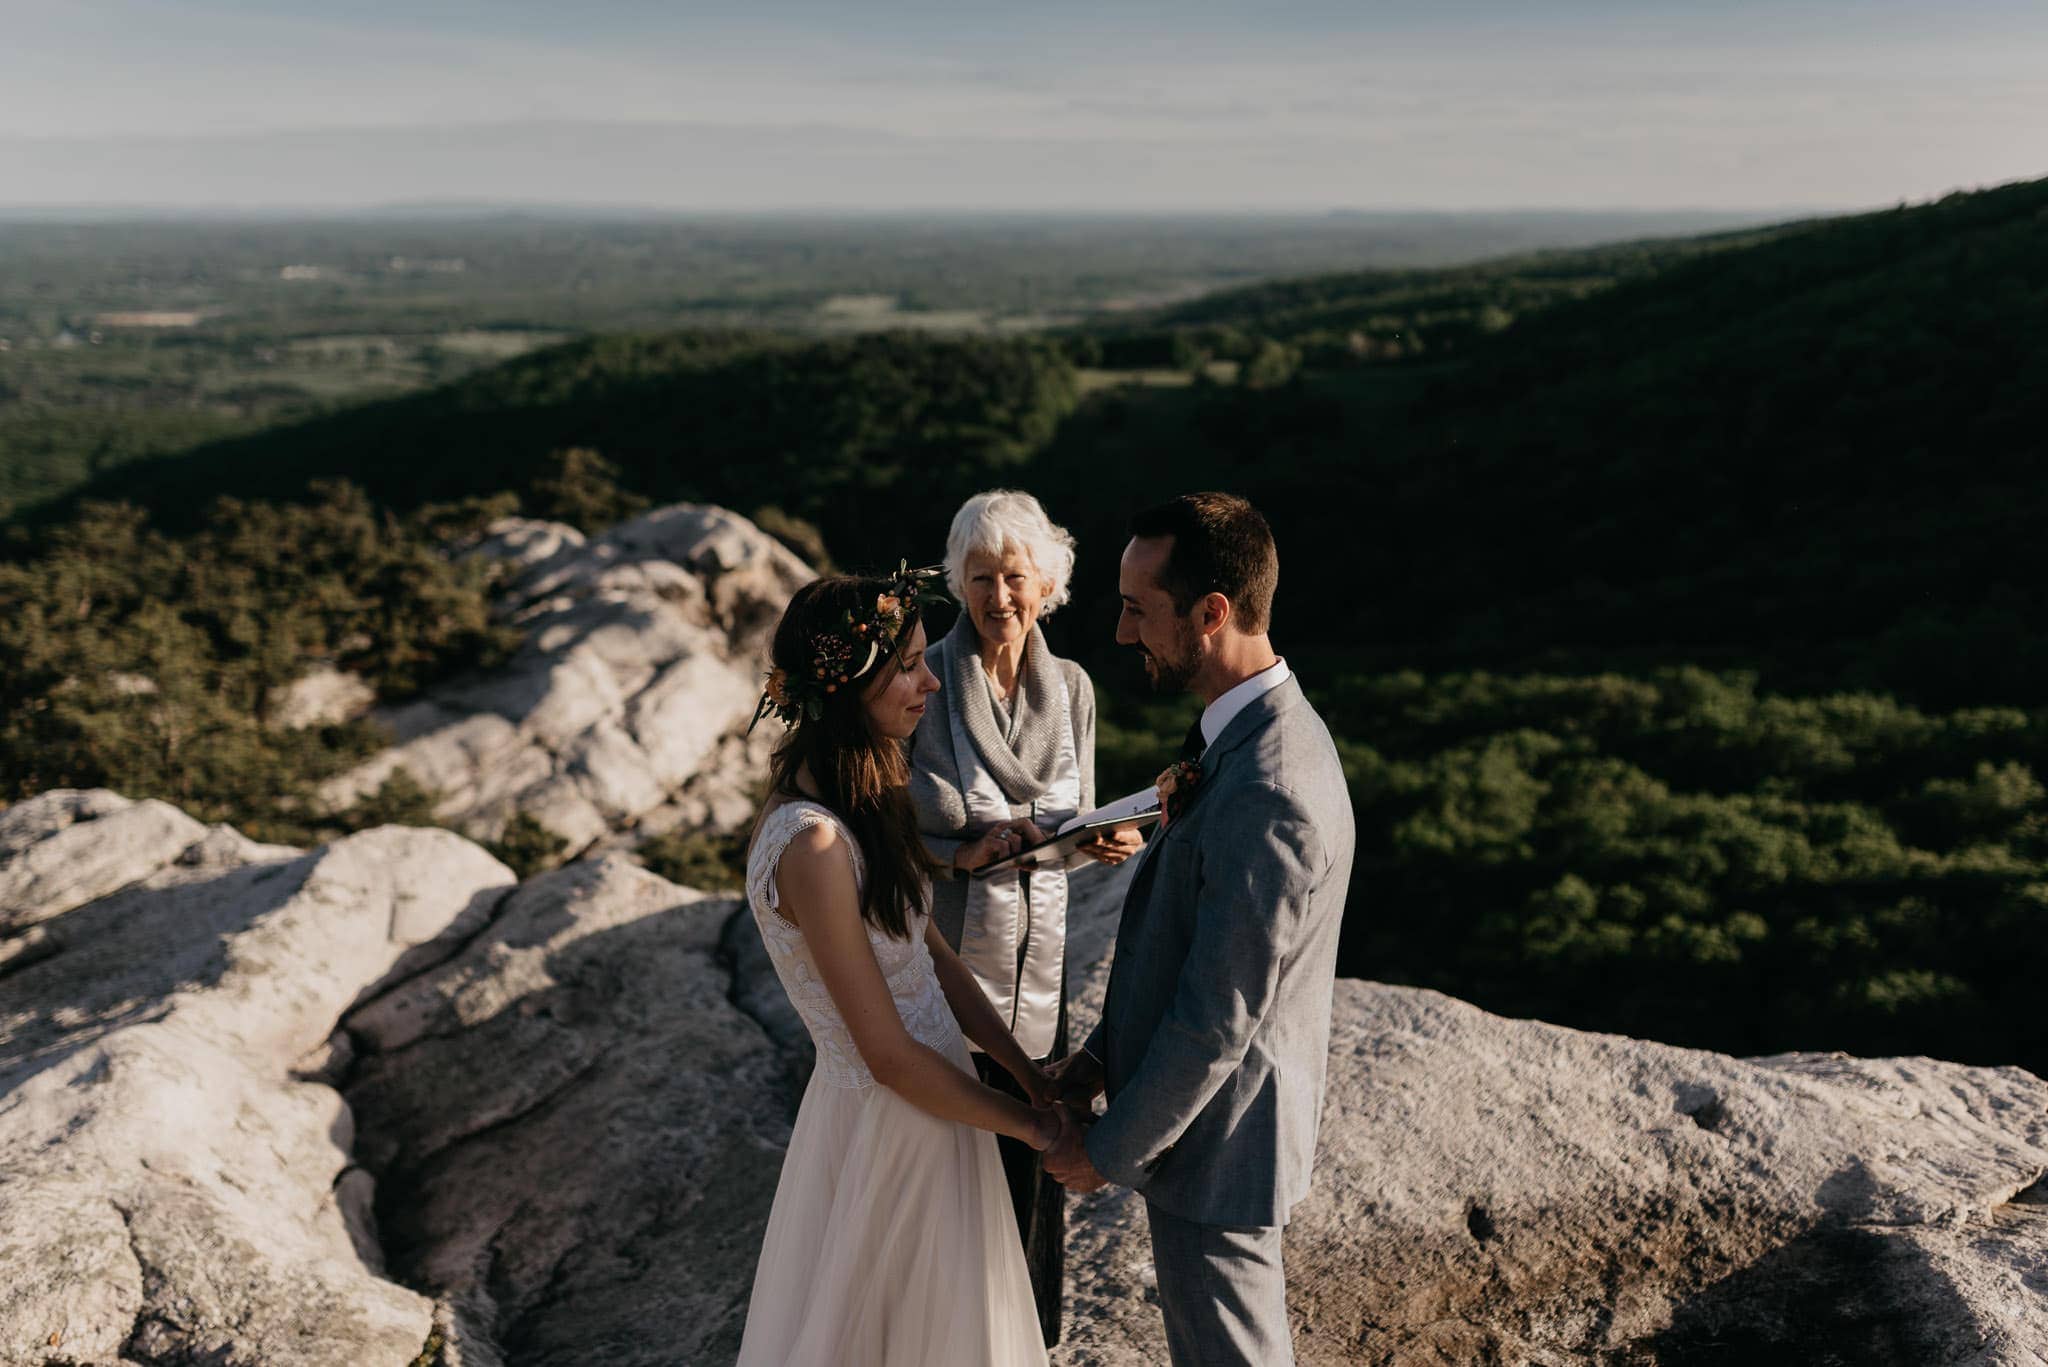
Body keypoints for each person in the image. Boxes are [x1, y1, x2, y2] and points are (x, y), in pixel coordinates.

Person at [1042, 494, 1356, 1367]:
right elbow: (1180, 946)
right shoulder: (1245, 736)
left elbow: (1219, 1012)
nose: (1121, 632)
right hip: (1209, 1139)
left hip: (1224, 1145)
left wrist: (1106, 1151)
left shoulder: (1270, 786)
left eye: (1140, 609)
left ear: (1211, 613)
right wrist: (1101, 1058)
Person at [735, 566, 1072, 1367]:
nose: (930, 680)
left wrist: (1031, 1079)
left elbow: (935, 959)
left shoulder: (871, 799)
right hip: (889, 1128)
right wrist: (1032, 1130)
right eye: (910, 666)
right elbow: (884, 1053)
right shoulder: (812, 843)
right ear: (849, 686)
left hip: (945, 1102)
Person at [904, 489, 1141, 1347]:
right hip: (954, 976)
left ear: (1046, 585)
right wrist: (957, 854)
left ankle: (1024, 1341)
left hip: (1045, 974)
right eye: (979, 578)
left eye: (1013, 577)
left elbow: (1065, 825)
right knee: (957, 1171)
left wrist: (1099, 842)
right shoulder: (925, 681)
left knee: (1036, 1162)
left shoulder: (1073, 688)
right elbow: (893, 829)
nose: (997, 596)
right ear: (956, 584)